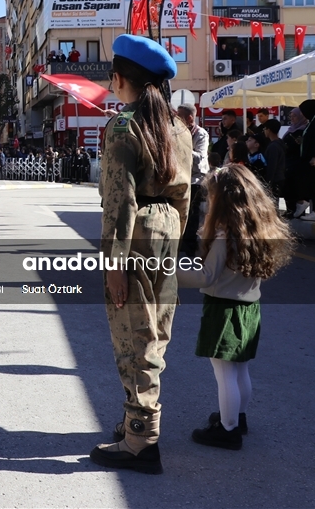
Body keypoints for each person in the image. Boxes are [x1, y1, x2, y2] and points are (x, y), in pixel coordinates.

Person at [90, 35, 192, 475]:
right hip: (168, 232)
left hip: (135, 239)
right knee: (156, 334)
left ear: (119, 79)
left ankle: (141, 439)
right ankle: (136, 419)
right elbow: (186, 196)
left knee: (133, 336)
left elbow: (119, 204)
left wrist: (114, 265)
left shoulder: (122, 126)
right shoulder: (180, 128)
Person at [177, 164, 294, 450]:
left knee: (224, 373)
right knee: (240, 370)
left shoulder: (223, 237)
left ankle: (227, 430)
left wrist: (169, 273)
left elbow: (206, 276)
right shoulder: (255, 232)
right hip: (249, 308)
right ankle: (238, 418)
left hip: (223, 310)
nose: (207, 203)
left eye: (211, 198)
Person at [177, 104, 210, 256]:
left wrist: (183, 146)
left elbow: (200, 158)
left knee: (192, 213)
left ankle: (190, 245)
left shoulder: (200, 134)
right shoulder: (178, 132)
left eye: (180, 116)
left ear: (190, 118)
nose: (177, 119)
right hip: (181, 177)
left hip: (196, 178)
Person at [282, 108, 308, 218]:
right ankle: (290, 209)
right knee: (288, 187)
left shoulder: (303, 130)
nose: (292, 118)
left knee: (295, 188)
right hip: (288, 162)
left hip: (297, 163)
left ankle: (297, 211)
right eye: (290, 116)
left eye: (295, 116)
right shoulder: (291, 129)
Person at [263, 119, 286, 208]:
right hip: (279, 177)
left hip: (275, 179)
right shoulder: (280, 143)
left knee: (272, 203)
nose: (264, 131)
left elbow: (272, 166)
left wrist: (268, 182)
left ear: (268, 130)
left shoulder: (273, 146)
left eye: (265, 129)